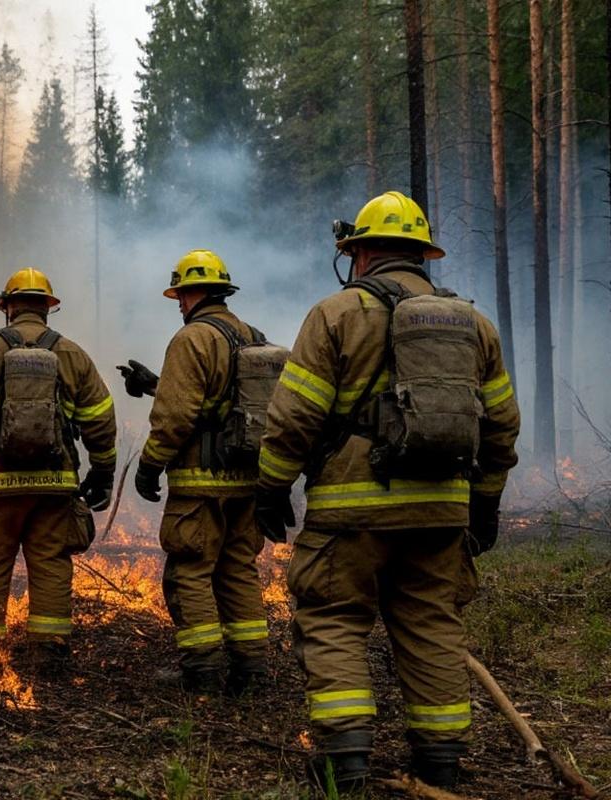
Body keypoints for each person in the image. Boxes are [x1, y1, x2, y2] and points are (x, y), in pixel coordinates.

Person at [256, 191, 520, 790]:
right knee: (431, 622)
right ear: (423, 255)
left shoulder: (336, 313)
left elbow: (294, 414)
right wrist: (487, 500)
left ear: (361, 252)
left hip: (352, 509)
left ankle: (346, 763)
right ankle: (440, 763)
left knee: (334, 617)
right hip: (442, 510)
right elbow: (501, 424)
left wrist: (272, 486)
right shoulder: (473, 323)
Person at [0, 268, 117, 674]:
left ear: (6, 306)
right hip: (55, 487)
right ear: (49, 308)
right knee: (51, 562)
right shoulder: (71, 355)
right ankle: (48, 657)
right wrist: (101, 472)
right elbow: (100, 420)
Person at [131, 250, 273, 696]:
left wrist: (150, 465)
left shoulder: (192, 338)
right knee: (238, 569)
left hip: (199, 480)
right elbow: (224, 397)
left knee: (189, 571)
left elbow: (177, 414)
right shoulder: (252, 336)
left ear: (195, 293)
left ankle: (203, 670)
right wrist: (156, 383)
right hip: (247, 479)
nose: (178, 302)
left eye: (181, 293)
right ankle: (251, 669)